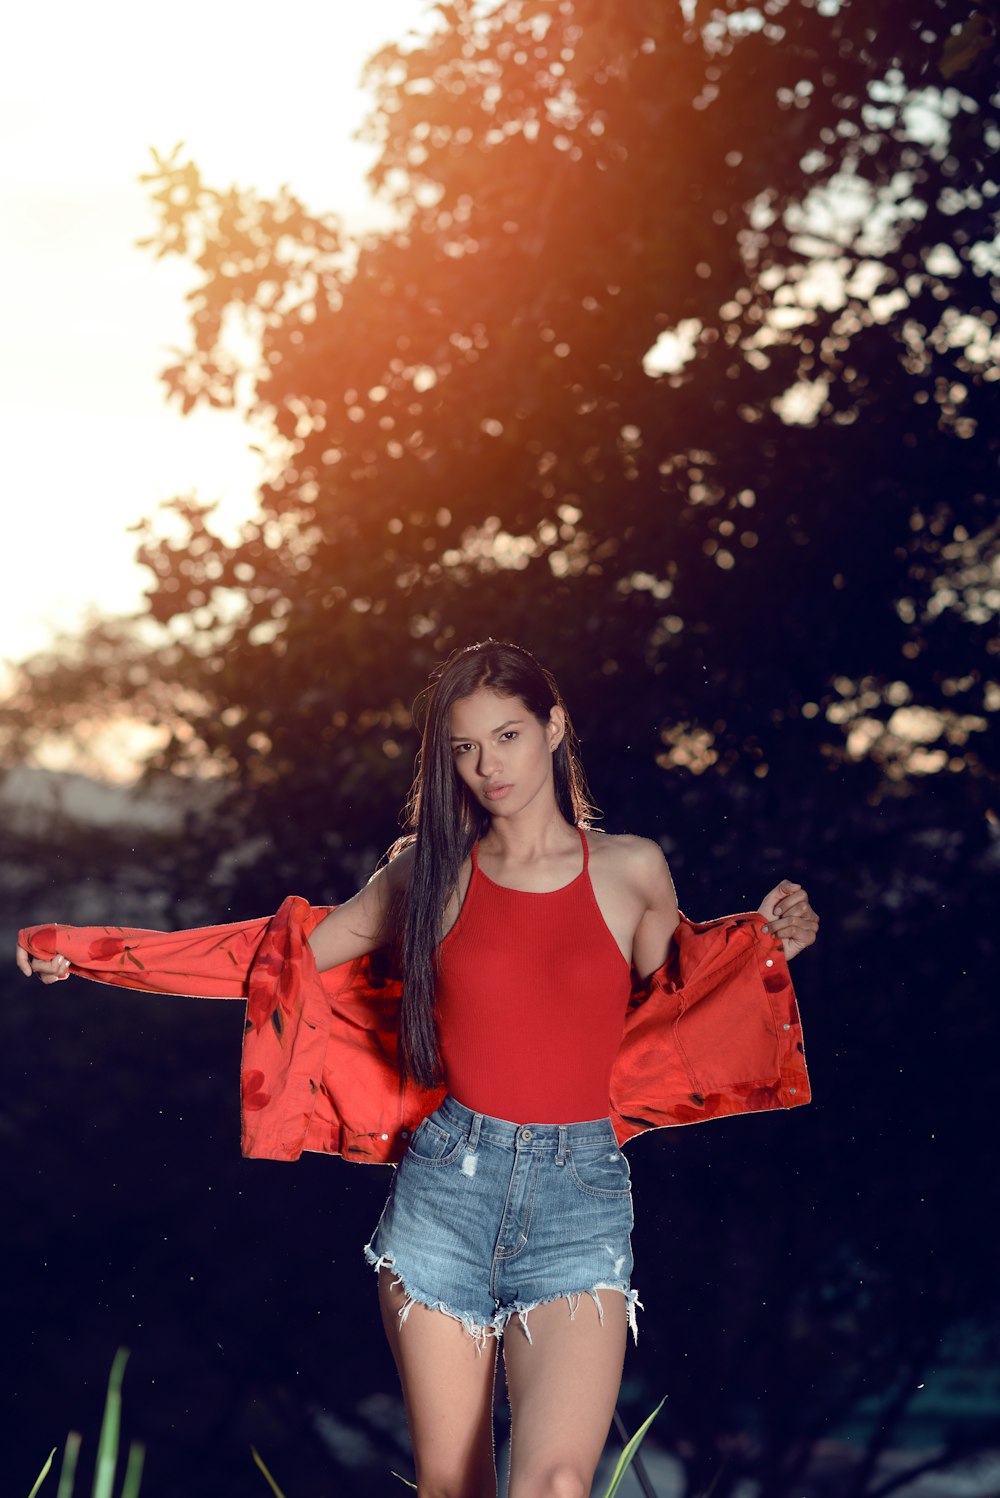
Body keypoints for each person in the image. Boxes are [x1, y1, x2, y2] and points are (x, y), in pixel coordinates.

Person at [18, 639, 819, 1498]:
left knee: (552, 1484)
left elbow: (678, 998)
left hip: (579, 1199)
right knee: (453, 1488)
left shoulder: (632, 869)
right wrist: (95, 953)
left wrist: (770, 947)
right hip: (446, 1190)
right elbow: (271, 961)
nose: (487, 767)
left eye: (507, 737)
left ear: (553, 728)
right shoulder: (425, 875)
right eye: (465, 748)